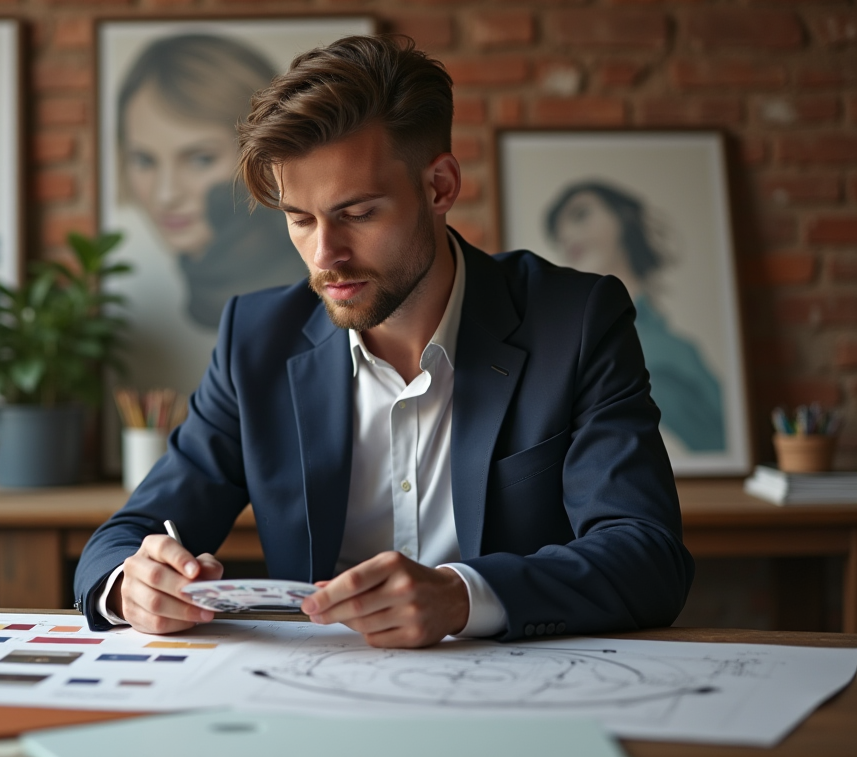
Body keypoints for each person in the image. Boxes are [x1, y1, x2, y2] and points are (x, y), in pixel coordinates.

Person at [75, 35, 693, 647]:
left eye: (358, 213)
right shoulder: (255, 341)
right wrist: (131, 583)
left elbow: (647, 557)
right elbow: (125, 534)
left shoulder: (576, 320)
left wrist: (462, 596)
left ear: (440, 187)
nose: (326, 256)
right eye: (300, 219)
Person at [116, 34, 305, 329]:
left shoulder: (306, 291)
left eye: (200, 159)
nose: (166, 195)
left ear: (264, 154)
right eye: (144, 161)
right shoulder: (204, 291)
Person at [544, 182, 725, 452]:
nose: (567, 236)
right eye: (559, 236)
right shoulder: (569, 348)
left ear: (622, 218)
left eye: (580, 215)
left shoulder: (675, 353)